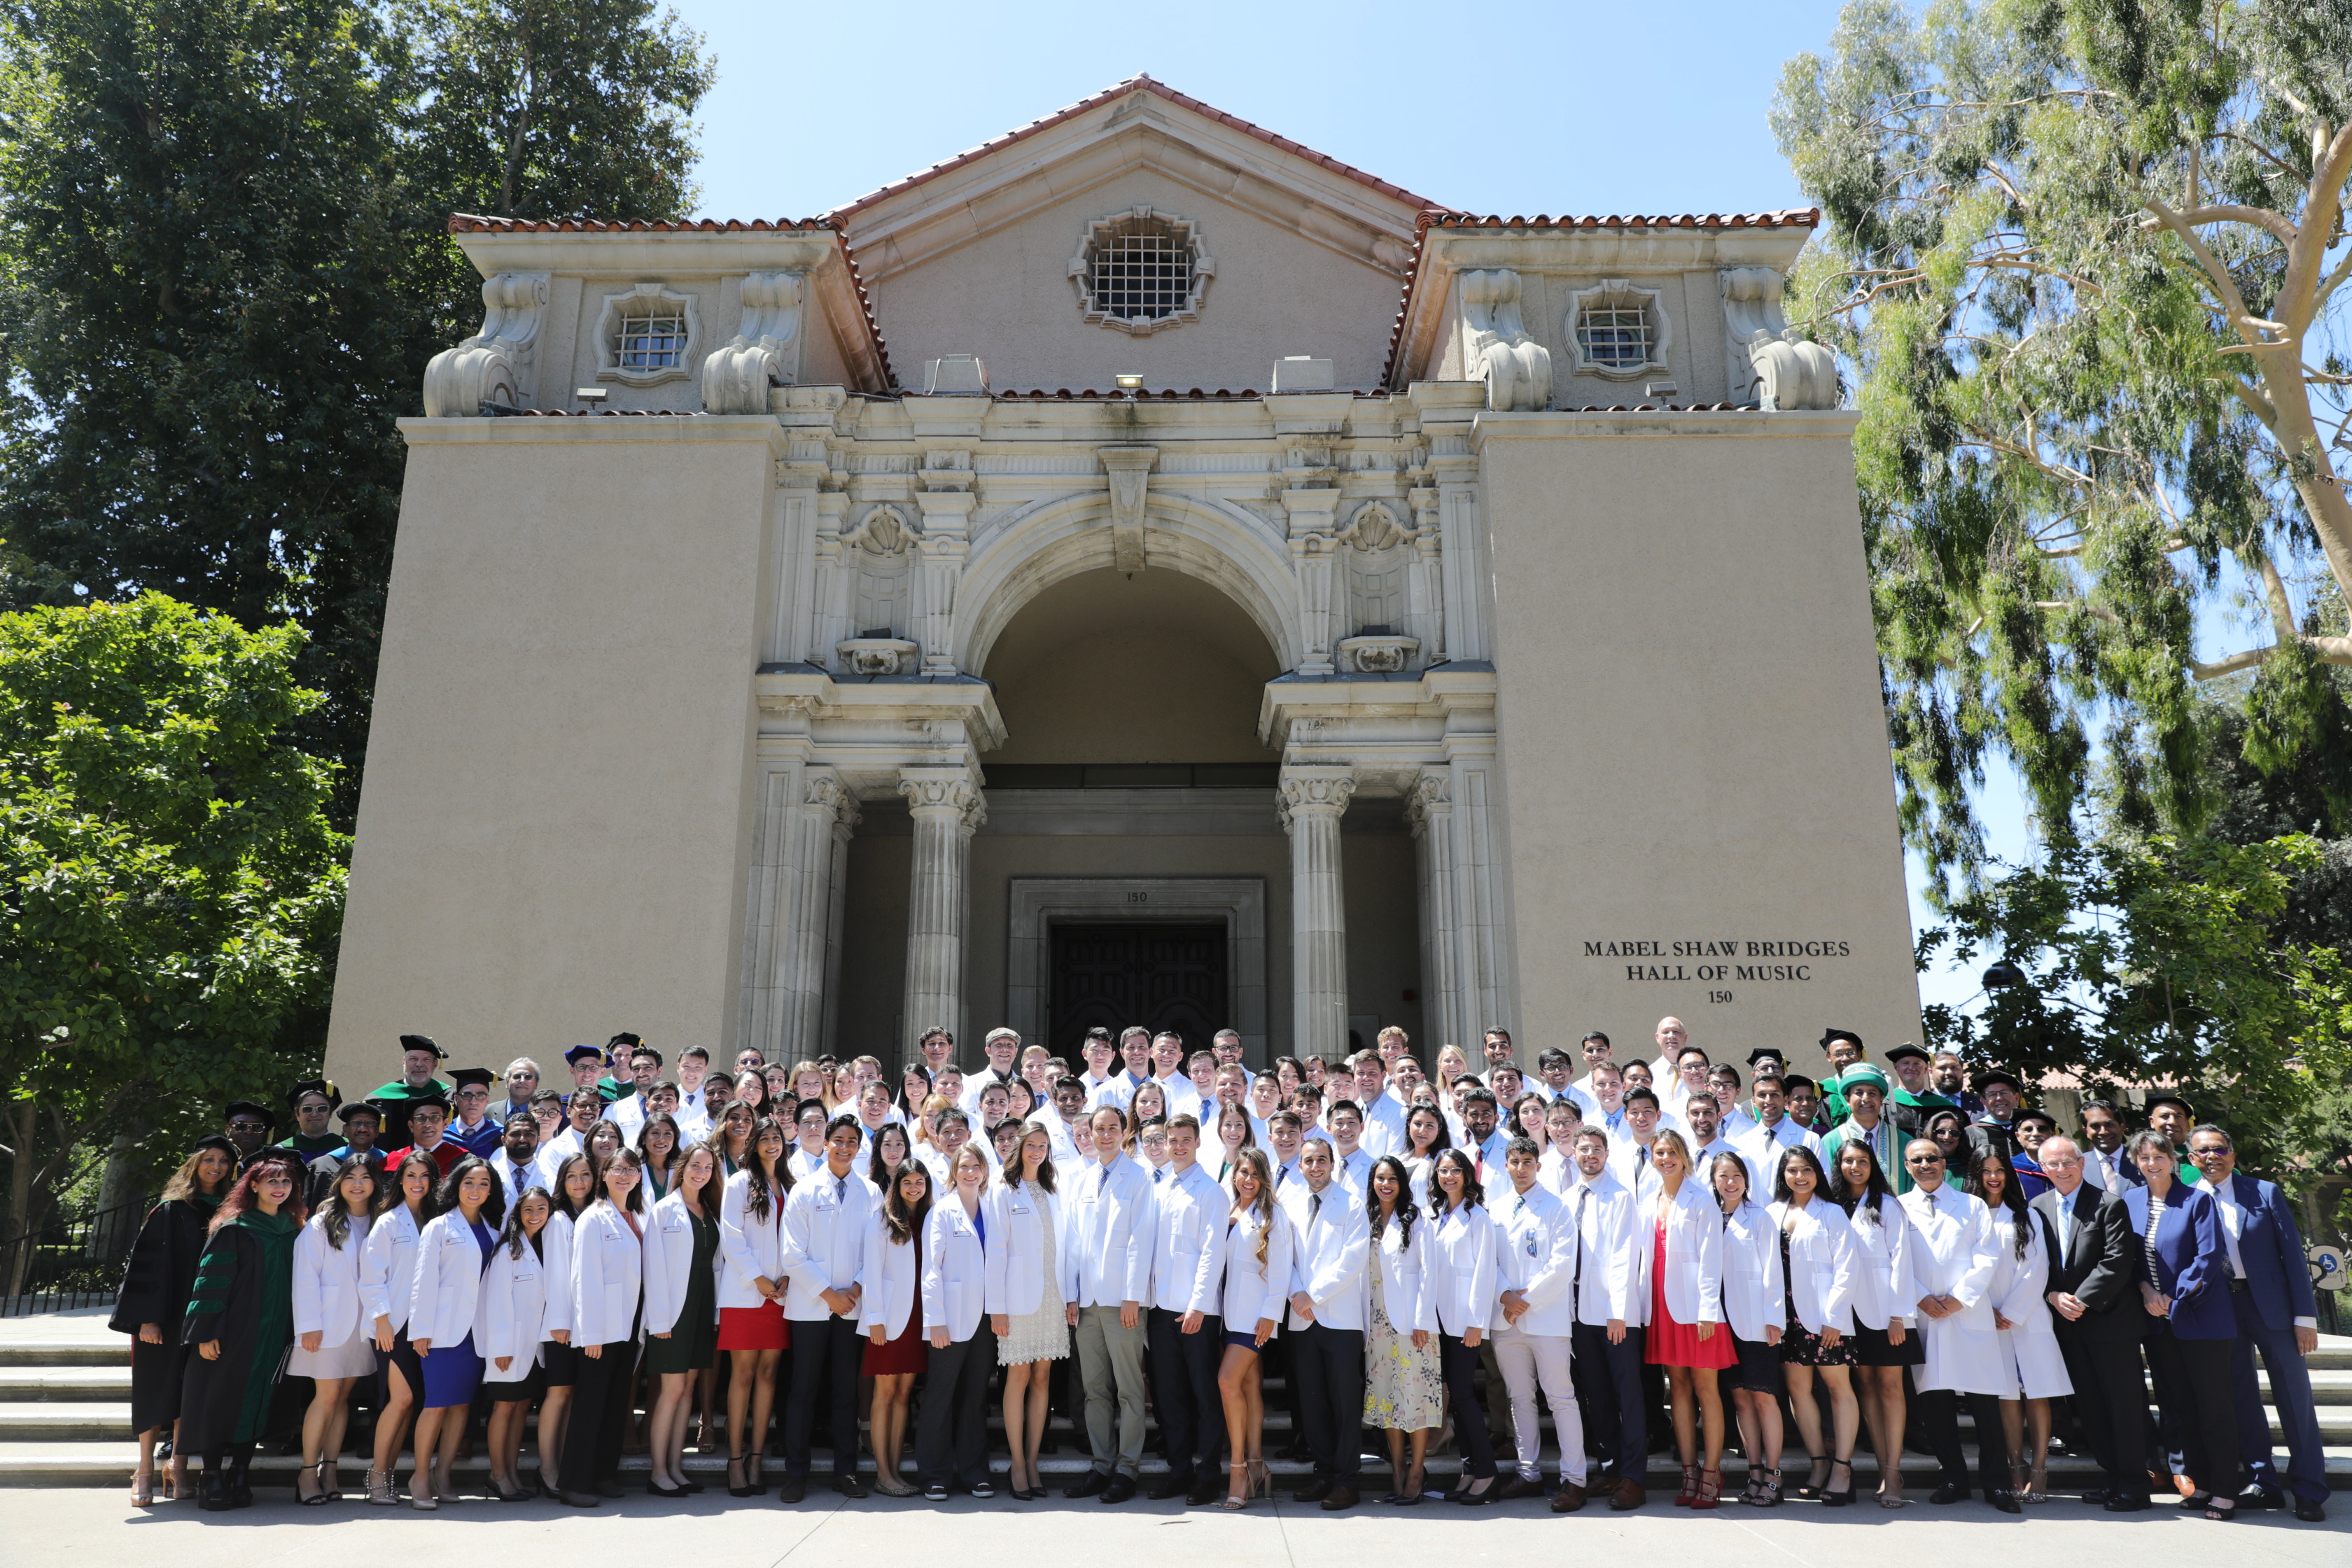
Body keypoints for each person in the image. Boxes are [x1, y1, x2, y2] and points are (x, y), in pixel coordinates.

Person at [2184, 1126, 2330, 1521]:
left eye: (2219, 1149)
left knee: (2294, 1398)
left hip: (2272, 1308)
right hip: (2219, 1309)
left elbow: (2292, 1257)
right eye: (2202, 1152)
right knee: (2240, 1399)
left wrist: (2305, 1317)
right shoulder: (2187, 1198)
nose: (2211, 1157)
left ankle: (2309, 1489)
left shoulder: (2263, 1192)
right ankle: (2262, 1483)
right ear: (2191, 1159)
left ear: (2232, 1154)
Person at [2121, 1128, 2239, 1518]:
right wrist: (2145, 1291)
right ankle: (2202, 1484)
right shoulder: (2131, 1200)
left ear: (2173, 1160)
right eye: (2144, 1158)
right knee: (2181, 1408)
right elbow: (2131, 1261)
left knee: (2213, 1408)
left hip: (2199, 1317)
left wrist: (2174, 1298)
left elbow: (2208, 1258)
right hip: (2158, 1323)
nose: (2152, 1164)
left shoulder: (2197, 1200)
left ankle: (2224, 1490)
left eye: (2159, 1157)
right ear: (2136, 1164)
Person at [113, 1135, 237, 1506]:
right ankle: (145, 1469)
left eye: (223, 1161)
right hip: (165, 1318)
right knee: (154, 1389)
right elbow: (148, 1267)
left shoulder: (229, 1211)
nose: (216, 1167)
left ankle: (178, 1466)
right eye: (209, 1159)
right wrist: (147, 1320)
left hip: (204, 1318)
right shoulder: (170, 1209)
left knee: (190, 1390)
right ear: (195, 1164)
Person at [179, 1152, 304, 1511]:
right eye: (271, 1181)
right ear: (253, 1185)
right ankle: (212, 1475)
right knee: (221, 1399)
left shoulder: (293, 1230)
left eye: (285, 1182)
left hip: (275, 1334)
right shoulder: (235, 1229)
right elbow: (209, 1284)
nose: (279, 1188)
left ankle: (240, 1471)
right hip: (233, 1334)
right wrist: (205, 1332)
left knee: (260, 1401)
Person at [1900, 1137, 2020, 1511]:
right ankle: (1953, 1477)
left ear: (1944, 1162)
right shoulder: (1898, 1208)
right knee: (1935, 1406)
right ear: (1907, 1167)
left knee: (1985, 1406)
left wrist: (1958, 1298)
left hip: (1968, 1314)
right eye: (1917, 1160)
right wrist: (1920, 1296)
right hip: (1926, 1316)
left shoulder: (1972, 1205)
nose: (1925, 1165)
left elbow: (1987, 1257)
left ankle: (1997, 1484)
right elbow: (1895, 1261)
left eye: (1932, 1158)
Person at [2026, 1134, 2147, 1510]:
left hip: (2110, 1323)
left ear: (2081, 1163)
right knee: (2092, 1410)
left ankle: (2133, 1486)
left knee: (2123, 1408)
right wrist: (2050, 1295)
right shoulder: (2037, 1207)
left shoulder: (2109, 1205)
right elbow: (2033, 1262)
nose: (2061, 1170)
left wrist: (2080, 1299)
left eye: (2068, 1162)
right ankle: (2112, 1478)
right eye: (2052, 1164)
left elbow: (2116, 1262)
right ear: (2043, 1169)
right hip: (2067, 1326)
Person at [774, 1113, 875, 1501]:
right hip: (811, 1307)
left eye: (852, 1141)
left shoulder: (870, 1192)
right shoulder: (804, 1190)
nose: (845, 1147)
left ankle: (845, 1472)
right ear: (827, 1143)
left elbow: (877, 1249)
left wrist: (857, 1287)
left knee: (845, 1392)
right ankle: (796, 1474)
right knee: (803, 1390)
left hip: (851, 1306)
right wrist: (828, 1293)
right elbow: (792, 1254)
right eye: (839, 1140)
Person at [1062, 1102, 1154, 1501]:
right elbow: (1072, 1244)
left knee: (1130, 1389)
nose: (1104, 1135)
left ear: (1123, 1131)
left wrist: (1133, 1296)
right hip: (1087, 1304)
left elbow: (1141, 1240)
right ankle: (1102, 1464)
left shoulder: (1139, 1178)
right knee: (1094, 1389)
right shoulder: (1081, 1181)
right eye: (1097, 1129)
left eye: (1112, 1128)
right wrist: (1070, 1295)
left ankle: (1127, 1468)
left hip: (1122, 1302)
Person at [1488, 1135, 1585, 1508]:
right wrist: (1504, 1296)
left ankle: (1574, 1479)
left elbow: (1562, 1265)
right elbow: (1488, 1261)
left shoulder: (1556, 1208)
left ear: (1538, 1166)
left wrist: (1523, 1301)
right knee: (1519, 1398)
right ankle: (1528, 1472)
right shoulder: (1495, 1209)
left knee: (1561, 1399)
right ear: (1507, 1165)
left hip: (1545, 1319)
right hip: (1505, 1319)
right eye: (1514, 1161)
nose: (1521, 1168)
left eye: (1528, 1161)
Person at [1968, 1147, 2067, 1503]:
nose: (1993, 1177)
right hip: (1986, 1320)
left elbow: (2037, 1267)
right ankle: (2014, 1465)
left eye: (2000, 1170)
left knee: (2036, 1394)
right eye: (1986, 1171)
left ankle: (2039, 1470)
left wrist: (2011, 1310)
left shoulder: (2028, 1215)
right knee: (2006, 1397)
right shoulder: (1968, 1216)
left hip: (2027, 1317)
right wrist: (1987, 1311)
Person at [1278, 1135, 1371, 1510]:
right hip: (1301, 1318)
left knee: (1345, 1404)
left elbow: (1352, 1260)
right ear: (1299, 1166)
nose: (1315, 1166)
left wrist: (1311, 1295)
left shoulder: (1352, 1204)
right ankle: (1324, 1472)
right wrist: (1297, 1295)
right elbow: (1283, 1256)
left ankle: (1347, 1481)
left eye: (1322, 1160)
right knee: (1313, 1403)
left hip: (1340, 1319)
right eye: (1309, 1161)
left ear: (1332, 1164)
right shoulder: (1288, 1204)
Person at [407, 1156, 503, 1509]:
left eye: (484, 1184)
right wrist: (420, 1329)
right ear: (456, 1186)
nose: (476, 1189)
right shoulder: (439, 1227)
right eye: (469, 1183)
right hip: (442, 1331)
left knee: (462, 1406)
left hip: (477, 1332)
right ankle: (419, 1476)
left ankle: (443, 1474)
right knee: (435, 1406)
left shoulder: (494, 1228)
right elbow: (423, 1280)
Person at [1642, 1129, 1731, 1507]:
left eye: (1672, 1152)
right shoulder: (1649, 1199)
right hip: (1662, 1306)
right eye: (1659, 1153)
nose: (1666, 1159)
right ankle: (1689, 1472)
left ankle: (1712, 1473)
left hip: (1697, 1308)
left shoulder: (1702, 1199)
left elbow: (1712, 1259)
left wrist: (1708, 1309)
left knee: (1706, 1389)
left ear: (1684, 1156)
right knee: (1676, 1388)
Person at [1144, 1113, 1229, 1505]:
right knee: (1170, 1395)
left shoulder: (1210, 1192)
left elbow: (1213, 1254)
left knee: (1204, 1395)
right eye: (1171, 1140)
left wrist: (1198, 1306)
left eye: (1184, 1140)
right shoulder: (1159, 1187)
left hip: (1197, 1311)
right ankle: (1179, 1470)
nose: (1177, 1146)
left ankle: (1208, 1474)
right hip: (1162, 1308)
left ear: (1197, 1143)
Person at [1829, 1139, 1919, 1506]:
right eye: (1848, 1161)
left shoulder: (1888, 1205)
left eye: (1862, 1161)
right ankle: (1882, 1468)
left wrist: (1899, 1316)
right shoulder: (1831, 1206)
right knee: (1864, 1386)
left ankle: (1894, 1474)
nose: (1855, 1167)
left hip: (1885, 1313)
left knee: (1891, 1388)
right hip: (1847, 1312)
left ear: (1872, 1165)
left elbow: (1902, 1261)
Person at [1768, 1145, 1859, 1504]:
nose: (1800, 1176)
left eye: (1806, 1169)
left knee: (1838, 1389)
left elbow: (1847, 1267)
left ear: (1817, 1173)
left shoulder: (1832, 1213)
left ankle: (1842, 1469)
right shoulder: (1773, 1212)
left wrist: (1834, 1318)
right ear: (1784, 1175)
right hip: (1786, 1317)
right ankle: (1819, 1463)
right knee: (1798, 1390)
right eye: (1792, 1170)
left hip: (1825, 1318)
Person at [1560, 1128, 1644, 1510]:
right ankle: (1609, 1467)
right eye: (1584, 1149)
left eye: (1597, 1150)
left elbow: (1625, 1256)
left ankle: (1634, 1477)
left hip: (1613, 1316)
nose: (1590, 1155)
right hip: (1578, 1314)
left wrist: (1618, 1312)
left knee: (1628, 1394)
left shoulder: (1621, 1197)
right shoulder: (1566, 1198)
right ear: (1573, 1152)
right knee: (1596, 1394)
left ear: (1607, 1154)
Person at [559, 1147, 647, 1507]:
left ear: (639, 1176)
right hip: (601, 1329)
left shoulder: (639, 1214)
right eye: (616, 1169)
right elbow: (584, 1279)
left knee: (615, 1404)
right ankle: (574, 1483)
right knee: (590, 1405)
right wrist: (590, 1333)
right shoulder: (593, 1218)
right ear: (604, 1175)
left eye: (631, 1169)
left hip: (629, 1325)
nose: (624, 1175)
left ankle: (603, 1474)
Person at [290, 1154, 381, 1504]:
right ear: (339, 1182)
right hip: (326, 1327)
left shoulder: (378, 1221)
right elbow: (305, 1276)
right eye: (350, 1177)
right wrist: (309, 1326)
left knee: (343, 1399)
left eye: (365, 1178)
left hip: (362, 1328)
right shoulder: (321, 1223)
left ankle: (330, 1469)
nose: (357, 1184)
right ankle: (307, 1473)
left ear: (375, 1184)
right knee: (326, 1397)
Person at [988, 1121, 1068, 1500]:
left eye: (1043, 1145)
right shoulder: (1003, 1190)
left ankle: (1033, 1461)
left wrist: (1069, 1296)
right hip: (1017, 1300)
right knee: (1018, 1378)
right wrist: (997, 1308)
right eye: (1031, 1144)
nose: (1037, 1151)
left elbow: (1064, 1247)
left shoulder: (1054, 1189)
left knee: (1042, 1381)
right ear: (1018, 1147)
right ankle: (1017, 1463)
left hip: (1052, 1295)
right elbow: (997, 1252)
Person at [1214, 1147, 1292, 1509]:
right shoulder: (1228, 1208)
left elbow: (1281, 1269)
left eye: (1255, 1174)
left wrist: (1271, 1313)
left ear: (1264, 1178)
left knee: (1227, 1381)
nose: (1248, 1179)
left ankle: (1238, 1469)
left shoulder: (1273, 1214)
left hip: (1255, 1314)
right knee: (1247, 1384)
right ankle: (1258, 1462)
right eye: (1242, 1172)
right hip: (1228, 1311)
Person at [916, 1143, 995, 1501]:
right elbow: (931, 1269)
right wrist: (936, 1321)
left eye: (976, 1165)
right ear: (953, 1170)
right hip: (949, 1319)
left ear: (984, 1170)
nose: (970, 1172)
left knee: (975, 1398)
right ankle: (934, 1474)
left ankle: (975, 1472)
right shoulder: (942, 1212)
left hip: (985, 1319)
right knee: (940, 1396)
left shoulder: (993, 1209)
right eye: (964, 1166)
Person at [1359, 1154, 1440, 1505]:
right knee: (1389, 1400)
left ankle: (1417, 1471)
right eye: (1380, 1178)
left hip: (1412, 1325)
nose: (1386, 1184)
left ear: (1402, 1184)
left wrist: (1423, 1320)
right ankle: (1396, 1471)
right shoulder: (1368, 1219)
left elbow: (1428, 1272)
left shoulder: (1416, 1218)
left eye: (1392, 1178)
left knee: (1415, 1399)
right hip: (1377, 1324)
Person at [641, 1141, 721, 1496]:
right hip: (674, 1312)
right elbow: (654, 1271)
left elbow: (718, 1264)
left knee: (688, 1390)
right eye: (695, 1165)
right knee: (671, 1391)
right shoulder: (664, 1210)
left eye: (707, 1167)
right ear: (682, 1166)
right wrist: (659, 1321)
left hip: (703, 1305)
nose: (701, 1172)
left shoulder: (709, 1208)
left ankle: (675, 1466)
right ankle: (659, 1471)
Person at [718, 1117, 792, 1496]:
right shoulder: (739, 1182)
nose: (771, 1144)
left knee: (768, 1376)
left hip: (781, 1296)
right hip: (746, 1293)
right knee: (743, 1375)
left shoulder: (791, 1186)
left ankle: (757, 1459)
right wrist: (757, 1278)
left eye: (776, 1138)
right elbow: (731, 1237)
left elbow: (799, 1240)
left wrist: (790, 1277)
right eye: (764, 1139)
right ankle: (735, 1460)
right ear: (754, 1145)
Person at [358, 1149, 435, 1505]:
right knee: (400, 1399)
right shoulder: (389, 1222)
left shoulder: (438, 1219)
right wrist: (382, 1320)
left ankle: (388, 1476)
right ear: (399, 1180)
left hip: (426, 1326)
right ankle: (376, 1477)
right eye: (411, 1175)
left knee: (408, 1402)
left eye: (424, 1176)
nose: (417, 1182)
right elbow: (371, 1277)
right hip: (393, 1326)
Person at [859, 1159, 933, 1497]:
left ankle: (895, 1472)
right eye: (908, 1182)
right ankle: (883, 1473)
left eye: (920, 1182)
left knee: (903, 1395)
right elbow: (871, 1271)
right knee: (884, 1394)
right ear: (897, 1185)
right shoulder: (882, 1219)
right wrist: (874, 1318)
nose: (914, 1188)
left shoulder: (932, 1218)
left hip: (919, 1316)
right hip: (888, 1319)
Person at [479, 1186, 554, 1502]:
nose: (535, 1216)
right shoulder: (508, 1251)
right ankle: (498, 1476)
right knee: (504, 1407)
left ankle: (510, 1472)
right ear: (517, 1214)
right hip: (508, 1347)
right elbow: (495, 1302)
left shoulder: (548, 1247)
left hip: (534, 1347)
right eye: (528, 1210)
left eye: (541, 1210)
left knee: (521, 1407)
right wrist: (500, 1348)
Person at [534, 1152, 596, 1495]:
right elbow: (556, 1273)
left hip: (586, 1323)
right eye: (572, 1175)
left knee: (572, 1396)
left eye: (586, 1174)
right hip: (562, 1324)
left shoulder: (596, 1213)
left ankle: (562, 1461)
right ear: (562, 1180)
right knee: (557, 1394)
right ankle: (547, 1468)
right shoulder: (558, 1219)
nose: (579, 1182)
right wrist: (559, 1321)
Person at [367, 1034, 451, 1150]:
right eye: (413, 1059)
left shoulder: (448, 1097)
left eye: (426, 1060)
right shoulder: (379, 1099)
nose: (419, 1064)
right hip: (389, 1164)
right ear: (403, 1062)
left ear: (435, 1064)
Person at [276, 1080, 346, 1163]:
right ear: (297, 1115)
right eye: (307, 1109)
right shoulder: (281, 1151)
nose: (314, 1114)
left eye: (322, 1108)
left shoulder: (346, 1148)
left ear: (330, 1113)